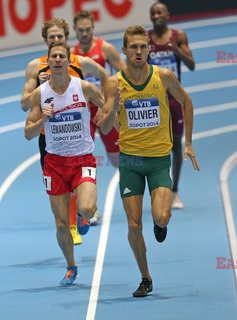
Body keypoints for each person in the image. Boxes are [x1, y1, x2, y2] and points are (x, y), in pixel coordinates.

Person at [101, 25, 200, 297]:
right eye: (133, 47)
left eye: (143, 46)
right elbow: (106, 125)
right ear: (124, 50)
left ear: (149, 50)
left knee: (162, 217)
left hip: (158, 159)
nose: (138, 51)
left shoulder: (164, 76)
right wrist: (115, 109)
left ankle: (160, 224)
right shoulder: (113, 83)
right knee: (133, 225)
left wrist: (188, 143)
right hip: (130, 162)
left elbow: (187, 102)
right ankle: (145, 277)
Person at [25, 41, 116, 286]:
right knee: (61, 223)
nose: (56, 59)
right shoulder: (39, 94)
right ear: (48, 60)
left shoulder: (83, 87)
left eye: (61, 56)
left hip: (82, 159)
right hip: (54, 163)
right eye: (52, 56)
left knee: (87, 208)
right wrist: (43, 120)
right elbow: (28, 133)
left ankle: (83, 216)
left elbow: (105, 103)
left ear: (68, 60)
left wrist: (108, 114)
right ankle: (71, 266)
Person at [20, 18, 109, 245]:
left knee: (77, 181)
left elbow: (106, 76)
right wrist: (39, 87)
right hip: (47, 136)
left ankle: (77, 220)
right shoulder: (36, 66)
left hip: (76, 132)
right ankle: (71, 223)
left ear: (66, 38)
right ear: (45, 41)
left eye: (60, 37)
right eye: (52, 38)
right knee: (61, 186)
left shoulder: (80, 62)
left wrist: (107, 104)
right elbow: (24, 104)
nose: (56, 40)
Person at [72, 10, 127, 225]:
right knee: (82, 159)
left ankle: (134, 188)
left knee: (116, 160)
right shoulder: (71, 54)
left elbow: (124, 73)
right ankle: (89, 209)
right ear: (75, 30)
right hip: (83, 114)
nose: (84, 33)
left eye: (88, 30)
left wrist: (111, 101)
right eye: (80, 30)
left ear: (93, 28)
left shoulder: (105, 49)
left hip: (105, 109)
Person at [148, 2, 195, 210]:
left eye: (160, 12)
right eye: (153, 13)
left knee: (176, 145)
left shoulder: (179, 36)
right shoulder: (144, 40)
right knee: (155, 146)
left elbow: (192, 65)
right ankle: (160, 188)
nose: (157, 15)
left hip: (174, 99)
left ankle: (175, 191)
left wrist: (176, 50)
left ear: (167, 15)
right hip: (152, 100)